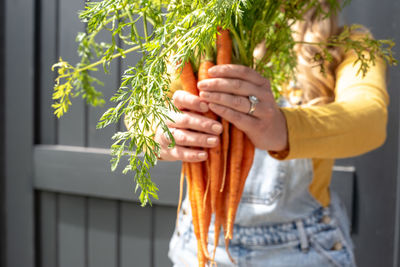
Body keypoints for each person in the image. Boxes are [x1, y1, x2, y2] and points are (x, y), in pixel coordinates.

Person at [157, 2, 388, 267]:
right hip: (200, 242)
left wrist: (282, 128)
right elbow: (145, 110)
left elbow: (370, 119)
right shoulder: (204, 36)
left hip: (305, 249)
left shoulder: (349, 44)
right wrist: (159, 131)